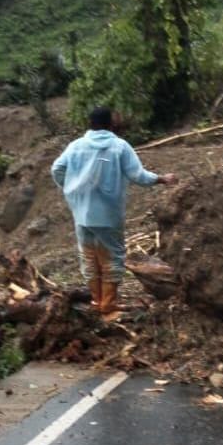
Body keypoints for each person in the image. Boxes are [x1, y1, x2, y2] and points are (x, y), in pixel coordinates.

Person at [51, 107, 177, 321]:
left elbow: (57, 169)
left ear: (91, 123)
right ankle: (108, 307)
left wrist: (72, 188)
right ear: (110, 123)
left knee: (89, 257)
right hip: (108, 214)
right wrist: (163, 178)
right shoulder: (119, 146)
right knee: (112, 257)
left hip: (81, 213)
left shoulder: (76, 146)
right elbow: (138, 175)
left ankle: (96, 301)